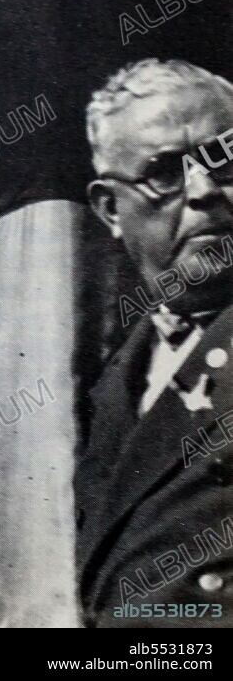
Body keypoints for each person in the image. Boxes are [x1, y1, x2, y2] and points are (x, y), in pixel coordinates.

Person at [77, 59, 233, 627]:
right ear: (110, 209)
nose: (205, 191)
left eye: (224, 159)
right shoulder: (102, 385)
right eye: (165, 172)